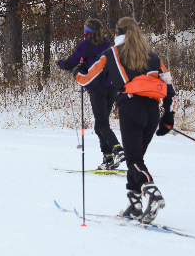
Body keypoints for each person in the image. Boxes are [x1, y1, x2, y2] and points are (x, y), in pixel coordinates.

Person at [74, 17, 176, 224]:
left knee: (134, 160)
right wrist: (168, 116)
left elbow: (89, 80)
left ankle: (153, 193)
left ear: (118, 32)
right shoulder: (154, 56)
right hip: (152, 111)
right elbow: (169, 86)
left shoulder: (112, 53)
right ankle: (135, 205)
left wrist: (77, 73)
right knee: (135, 158)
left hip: (131, 107)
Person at [57, 18, 125, 170]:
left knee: (101, 124)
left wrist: (61, 63)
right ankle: (108, 157)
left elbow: (71, 63)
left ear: (87, 31)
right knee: (100, 124)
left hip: (97, 87)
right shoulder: (108, 44)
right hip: (112, 87)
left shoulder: (85, 45)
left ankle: (118, 149)